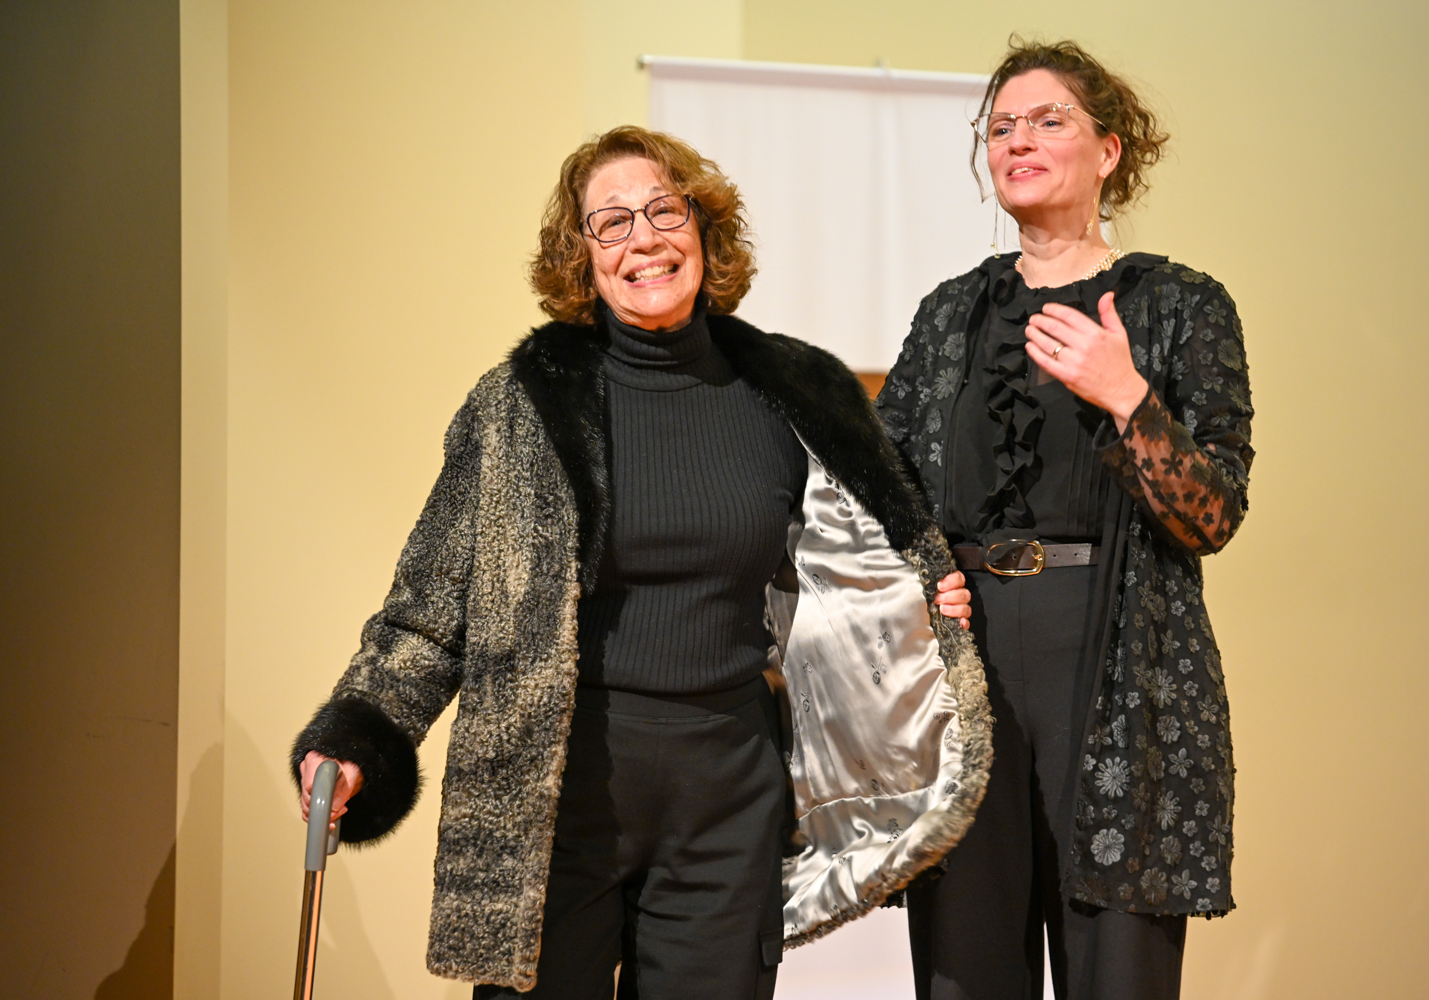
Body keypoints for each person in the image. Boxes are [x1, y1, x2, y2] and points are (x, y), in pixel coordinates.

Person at [290, 125, 992, 999]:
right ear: (581, 255)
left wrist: (927, 595)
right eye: (612, 222)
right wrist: (356, 734)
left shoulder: (792, 394)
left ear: (703, 226)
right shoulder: (521, 406)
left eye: (664, 211)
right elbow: (430, 610)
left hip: (727, 795)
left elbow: (863, 563)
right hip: (554, 794)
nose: (644, 240)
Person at [877, 39, 1254, 1000]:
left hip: (1116, 668)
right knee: (966, 968)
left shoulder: (1181, 305)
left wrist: (1126, 395)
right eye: (1001, 126)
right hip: (968, 667)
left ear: (1109, 151)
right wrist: (923, 575)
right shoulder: (950, 314)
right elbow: (881, 491)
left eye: (1049, 121)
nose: (1018, 141)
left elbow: (1213, 515)